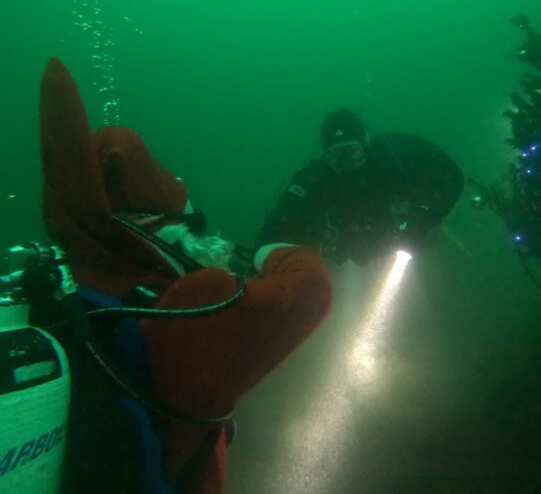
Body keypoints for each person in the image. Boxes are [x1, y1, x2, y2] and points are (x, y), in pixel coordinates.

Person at [39, 57, 333, 494]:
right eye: (190, 222)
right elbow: (311, 289)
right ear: (159, 224)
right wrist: (271, 251)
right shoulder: (196, 303)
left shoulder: (56, 290)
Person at [257, 108, 464, 264]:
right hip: (348, 258)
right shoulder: (314, 179)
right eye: (336, 155)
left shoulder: (392, 157)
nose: (346, 163)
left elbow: (451, 174)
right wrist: (261, 259)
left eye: (353, 152)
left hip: (407, 243)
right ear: (325, 156)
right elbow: (280, 220)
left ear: (364, 146)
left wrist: (426, 219)